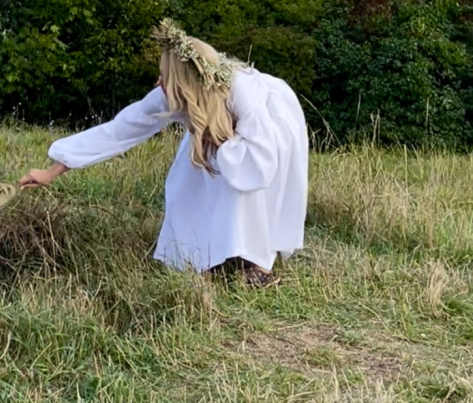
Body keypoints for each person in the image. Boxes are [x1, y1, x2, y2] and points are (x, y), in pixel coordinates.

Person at [19, 19, 308, 286]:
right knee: (185, 183)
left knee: (239, 185)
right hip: (212, 130)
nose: (158, 83)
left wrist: (216, 140)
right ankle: (196, 256)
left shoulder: (244, 95)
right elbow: (121, 129)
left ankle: (257, 264)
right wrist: (53, 170)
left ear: (186, 84)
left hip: (268, 136)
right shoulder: (170, 94)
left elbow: (259, 166)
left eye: (165, 76)